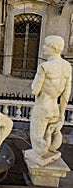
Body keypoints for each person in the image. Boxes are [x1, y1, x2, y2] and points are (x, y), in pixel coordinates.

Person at [28, 35, 72, 165]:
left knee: (37, 144)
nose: (43, 48)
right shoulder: (67, 66)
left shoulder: (44, 67)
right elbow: (66, 93)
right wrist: (62, 113)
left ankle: (42, 155)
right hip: (55, 108)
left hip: (42, 108)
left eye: (46, 45)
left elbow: (34, 90)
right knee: (48, 135)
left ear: (53, 48)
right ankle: (49, 150)